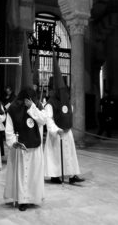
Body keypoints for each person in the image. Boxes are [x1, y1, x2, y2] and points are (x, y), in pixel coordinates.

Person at [4, 87, 47, 211]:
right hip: (20, 148)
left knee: (33, 174)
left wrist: (32, 107)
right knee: (21, 174)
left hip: (35, 146)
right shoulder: (13, 108)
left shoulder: (38, 106)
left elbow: (43, 120)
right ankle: (22, 200)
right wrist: (13, 142)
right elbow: (9, 129)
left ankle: (33, 198)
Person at [43, 55, 84, 184]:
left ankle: (72, 175)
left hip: (67, 132)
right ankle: (55, 175)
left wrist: (68, 123)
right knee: (56, 155)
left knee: (70, 154)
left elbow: (69, 111)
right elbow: (49, 119)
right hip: (57, 134)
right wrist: (56, 130)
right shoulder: (50, 103)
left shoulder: (65, 101)